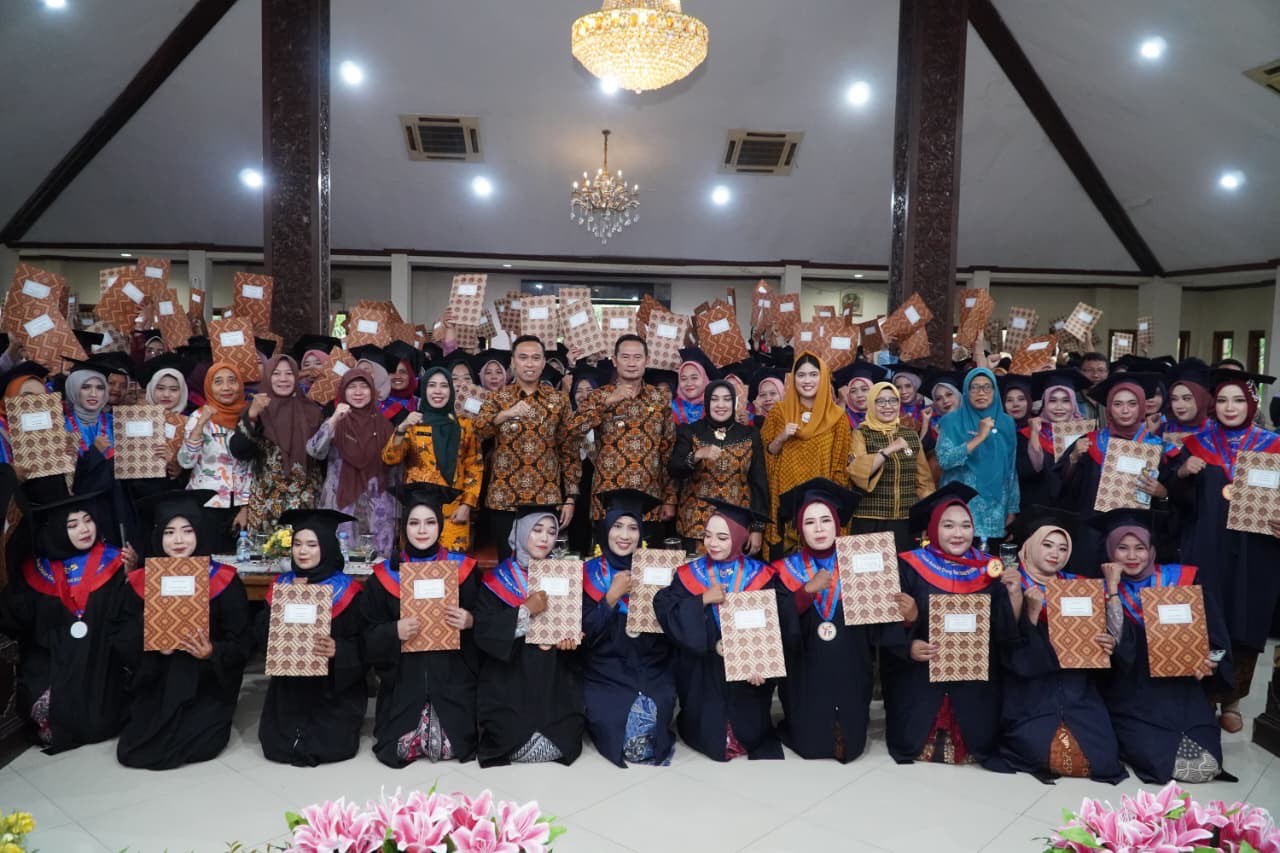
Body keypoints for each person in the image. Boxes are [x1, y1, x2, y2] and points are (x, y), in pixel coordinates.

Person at [772, 479, 911, 762]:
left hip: (852, 663)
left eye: (826, 520)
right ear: (800, 529)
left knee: (852, 743)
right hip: (805, 669)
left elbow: (882, 623)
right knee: (809, 744)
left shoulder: (862, 563)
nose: (819, 528)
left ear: (837, 524)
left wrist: (908, 616)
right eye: (809, 522)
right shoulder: (784, 569)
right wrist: (805, 592)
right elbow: (775, 623)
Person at [1173, 369, 1280, 734]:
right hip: (1207, 545)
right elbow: (1174, 502)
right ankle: (1205, 694)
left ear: (1251, 403)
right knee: (1206, 616)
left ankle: (1233, 700)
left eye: (1238, 400)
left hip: (1257, 549)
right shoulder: (1196, 444)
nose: (1229, 407)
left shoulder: (1273, 446)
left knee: (1247, 617)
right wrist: (1182, 474)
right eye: (1222, 400)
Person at [1092, 509, 1233, 783]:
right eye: (1122, 548)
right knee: (1159, 755)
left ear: (1152, 550)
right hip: (1130, 692)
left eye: (1140, 548)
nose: (1132, 556)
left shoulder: (1181, 580)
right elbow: (1115, 650)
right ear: (1110, 551)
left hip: (1180, 688)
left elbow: (1215, 636)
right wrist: (1112, 588)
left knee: (1207, 763)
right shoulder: (1099, 590)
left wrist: (1210, 660)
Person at [882, 484, 1017, 766]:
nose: (958, 533)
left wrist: (1012, 594)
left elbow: (1003, 633)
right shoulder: (910, 566)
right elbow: (887, 628)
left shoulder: (988, 570)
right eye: (948, 525)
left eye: (966, 526)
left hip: (974, 677)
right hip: (922, 674)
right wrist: (909, 643)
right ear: (933, 528)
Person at [117, 490, 252, 769]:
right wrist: (152, 644)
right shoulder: (142, 581)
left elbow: (242, 641)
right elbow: (122, 637)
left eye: (187, 531)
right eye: (169, 532)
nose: (178, 540)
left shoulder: (225, 580)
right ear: (158, 536)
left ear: (200, 532)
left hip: (206, 683)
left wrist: (213, 652)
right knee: (135, 749)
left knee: (202, 743)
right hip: (157, 679)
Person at [0, 490, 139, 753]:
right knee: (46, 711)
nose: (84, 530)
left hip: (99, 660)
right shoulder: (38, 570)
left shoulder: (114, 561)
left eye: (88, 520)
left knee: (98, 723)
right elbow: (19, 619)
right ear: (56, 529)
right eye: (72, 525)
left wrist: (130, 575)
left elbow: (127, 614)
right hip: (54, 658)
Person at [997, 508, 1126, 783]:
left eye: (1062, 548)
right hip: (1030, 686)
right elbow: (1007, 646)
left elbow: (1106, 635)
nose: (1055, 553)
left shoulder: (1079, 587)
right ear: (1030, 545)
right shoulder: (1010, 581)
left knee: (1102, 757)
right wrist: (1030, 615)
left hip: (1076, 686)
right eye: (1047, 545)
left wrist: (1107, 640)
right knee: (1036, 749)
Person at [653, 499, 782, 761]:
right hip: (703, 669)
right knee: (706, 723)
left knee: (750, 726)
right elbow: (665, 606)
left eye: (723, 537)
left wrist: (760, 665)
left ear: (740, 538)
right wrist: (701, 600)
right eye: (708, 535)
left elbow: (772, 626)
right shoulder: (689, 574)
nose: (712, 543)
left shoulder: (762, 575)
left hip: (746, 673)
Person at [362, 484, 480, 766]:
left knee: (455, 743)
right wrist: (393, 631)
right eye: (414, 523)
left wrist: (470, 620)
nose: (422, 530)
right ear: (405, 526)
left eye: (430, 522)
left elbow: (486, 622)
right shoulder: (385, 575)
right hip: (404, 679)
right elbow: (365, 633)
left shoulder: (463, 569)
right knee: (397, 747)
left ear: (440, 525)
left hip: (452, 676)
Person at [472, 506, 585, 766]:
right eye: (537, 530)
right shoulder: (496, 581)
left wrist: (571, 641)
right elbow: (484, 633)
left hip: (552, 678)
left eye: (552, 532)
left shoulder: (564, 577)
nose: (544, 538)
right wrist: (524, 611)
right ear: (521, 532)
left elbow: (573, 628)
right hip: (509, 679)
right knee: (510, 732)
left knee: (562, 733)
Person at [257, 509, 366, 766]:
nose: (303, 551)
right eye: (297, 544)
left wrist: (339, 649)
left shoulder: (347, 590)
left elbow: (365, 643)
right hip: (288, 687)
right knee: (276, 744)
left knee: (332, 744)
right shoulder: (282, 585)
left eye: (312, 545)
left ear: (326, 547)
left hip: (332, 688)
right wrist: (286, 603)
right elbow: (260, 636)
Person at [580, 489, 678, 767]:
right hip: (604, 671)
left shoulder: (655, 572)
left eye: (633, 528)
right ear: (606, 529)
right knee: (620, 732)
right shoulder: (588, 573)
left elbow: (670, 630)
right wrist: (611, 597)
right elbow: (583, 636)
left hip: (650, 668)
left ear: (641, 533)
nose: (624, 535)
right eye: (617, 526)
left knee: (650, 729)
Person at [473, 336, 582, 559]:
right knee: (508, 563)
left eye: (535, 358)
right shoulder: (498, 398)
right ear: (513, 362)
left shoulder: (559, 400)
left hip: (545, 496)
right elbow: (478, 431)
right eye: (523, 358)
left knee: (542, 564)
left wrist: (571, 497)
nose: (529, 364)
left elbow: (569, 451)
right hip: (505, 497)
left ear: (543, 363)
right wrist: (504, 415)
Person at [568, 335, 676, 541]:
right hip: (607, 500)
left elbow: (667, 449)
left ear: (646, 360)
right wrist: (607, 402)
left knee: (647, 560)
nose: (632, 363)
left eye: (637, 357)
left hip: (649, 501)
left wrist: (670, 498)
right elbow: (572, 430)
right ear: (615, 361)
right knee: (606, 558)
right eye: (625, 357)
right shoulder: (598, 395)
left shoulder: (659, 399)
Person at [1058, 372, 1166, 574]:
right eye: (1117, 404)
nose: (1125, 410)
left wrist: (1163, 493)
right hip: (1092, 535)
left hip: (1137, 540)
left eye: (1132, 404)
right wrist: (1073, 459)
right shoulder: (1090, 442)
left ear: (1142, 406)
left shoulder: (1157, 448)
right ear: (1108, 408)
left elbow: (1174, 500)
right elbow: (1064, 490)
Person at [761, 352, 852, 557]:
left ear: (823, 378)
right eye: (801, 375)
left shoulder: (837, 417)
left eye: (813, 374)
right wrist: (782, 437)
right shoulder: (779, 412)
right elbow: (767, 455)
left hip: (821, 504)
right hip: (784, 503)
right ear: (793, 379)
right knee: (787, 568)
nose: (807, 380)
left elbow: (840, 466)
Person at [383, 366, 483, 552]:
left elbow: (474, 467)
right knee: (416, 564)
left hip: (454, 511)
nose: (438, 391)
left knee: (453, 566)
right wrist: (402, 428)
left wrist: (467, 504)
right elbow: (390, 458)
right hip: (418, 511)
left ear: (451, 390)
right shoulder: (413, 422)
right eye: (432, 385)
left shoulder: (464, 425)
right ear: (424, 389)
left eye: (444, 386)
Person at [669, 380, 768, 554]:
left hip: (737, 525)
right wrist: (696, 455)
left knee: (735, 571)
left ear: (733, 403)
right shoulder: (690, 431)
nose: (721, 405)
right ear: (707, 402)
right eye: (715, 399)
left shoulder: (750, 434)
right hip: (695, 526)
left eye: (727, 399)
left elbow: (758, 482)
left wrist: (757, 528)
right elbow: (675, 469)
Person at [307, 369, 397, 556]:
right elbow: (314, 451)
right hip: (340, 507)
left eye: (364, 386)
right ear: (343, 391)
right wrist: (333, 419)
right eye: (352, 387)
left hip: (377, 509)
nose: (358, 392)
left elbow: (395, 471)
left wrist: (397, 513)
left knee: (377, 564)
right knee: (339, 559)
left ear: (372, 390)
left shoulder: (385, 426)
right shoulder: (336, 423)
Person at [935, 368, 1020, 550]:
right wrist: (979, 438)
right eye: (974, 387)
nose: (981, 392)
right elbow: (944, 460)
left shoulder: (1006, 422)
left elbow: (1011, 468)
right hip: (962, 508)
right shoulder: (951, 421)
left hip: (996, 507)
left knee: (991, 563)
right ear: (966, 392)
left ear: (995, 391)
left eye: (987, 387)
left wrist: (1012, 507)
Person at [242, 355, 325, 537]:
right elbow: (240, 451)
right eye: (276, 373)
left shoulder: (312, 410)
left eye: (289, 373)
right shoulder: (256, 408)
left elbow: (322, 454)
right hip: (266, 502)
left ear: (296, 376)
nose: (283, 379)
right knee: (266, 550)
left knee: (304, 547)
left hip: (305, 499)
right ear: (268, 377)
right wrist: (252, 416)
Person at [847, 380, 934, 553]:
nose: (887, 406)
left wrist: (928, 516)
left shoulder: (910, 435)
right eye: (880, 401)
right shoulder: (861, 433)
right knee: (871, 568)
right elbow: (856, 471)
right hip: (870, 519)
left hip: (906, 521)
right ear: (872, 404)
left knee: (905, 567)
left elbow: (924, 481)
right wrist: (888, 450)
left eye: (893, 400)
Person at [178, 362, 254, 552]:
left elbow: (253, 467)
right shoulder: (198, 417)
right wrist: (201, 424)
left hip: (239, 507)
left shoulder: (250, 416)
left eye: (232, 381)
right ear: (209, 386)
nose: (226, 387)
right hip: (205, 504)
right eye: (218, 382)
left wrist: (246, 507)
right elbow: (186, 462)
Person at [1018, 370, 1089, 510]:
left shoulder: (1087, 435)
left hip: (1074, 512)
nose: (1059, 407)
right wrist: (1034, 435)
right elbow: (1027, 474)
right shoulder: (1026, 434)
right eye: (1052, 400)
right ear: (1044, 403)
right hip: (1036, 512)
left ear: (1073, 404)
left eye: (1066, 401)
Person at [1163, 358, 1215, 446]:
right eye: (1174, 399)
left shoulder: (1218, 431)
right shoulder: (1164, 428)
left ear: (1202, 400)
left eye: (1187, 399)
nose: (1179, 406)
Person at [833, 362, 886, 429]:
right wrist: (841, 403)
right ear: (848, 395)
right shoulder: (844, 418)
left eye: (864, 389)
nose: (859, 395)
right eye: (853, 391)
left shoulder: (886, 414)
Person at [671, 348, 715, 425]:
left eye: (694, 378)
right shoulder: (670, 408)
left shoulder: (717, 406)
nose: (689, 383)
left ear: (704, 379)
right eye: (683, 379)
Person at [892, 363, 928, 434]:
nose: (903, 392)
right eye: (898, 387)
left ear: (916, 386)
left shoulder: (927, 407)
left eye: (908, 386)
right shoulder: (890, 409)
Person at [1079, 353, 1110, 422]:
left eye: (1101, 370)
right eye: (1089, 370)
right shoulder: (1071, 400)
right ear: (1080, 372)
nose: (1095, 375)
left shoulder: (1113, 400)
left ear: (1107, 373)